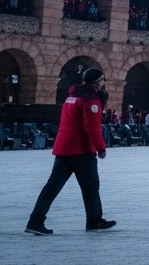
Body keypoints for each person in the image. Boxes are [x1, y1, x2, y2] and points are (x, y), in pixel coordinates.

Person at [25, 67, 116, 234]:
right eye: (101, 82)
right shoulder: (91, 100)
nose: (103, 85)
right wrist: (101, 148)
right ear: (96, 83)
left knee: (52, 186)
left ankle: (35, 221)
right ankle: (94, 220)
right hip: (81, 149)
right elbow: (92, 127)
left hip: (63, 147)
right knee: (90, 186)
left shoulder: (72, 96)